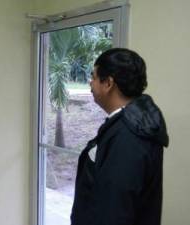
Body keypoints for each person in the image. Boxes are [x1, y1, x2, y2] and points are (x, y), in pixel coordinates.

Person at [70, 48, 169, 225]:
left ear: (108, 83)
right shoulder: (130, 124)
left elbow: (115, 212)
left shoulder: (128, 137)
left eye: (93, 77)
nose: (90, 83)